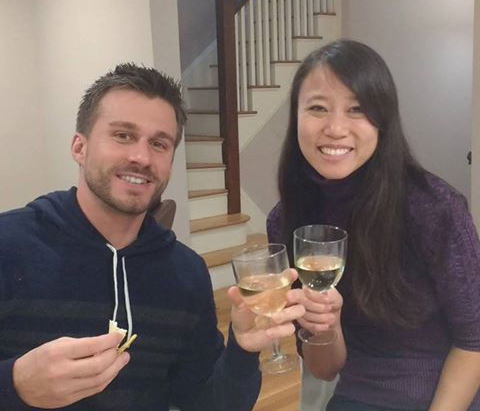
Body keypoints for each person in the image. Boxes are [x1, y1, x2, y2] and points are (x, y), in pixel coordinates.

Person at [0, 63, 304, 410]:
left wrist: (242, 349)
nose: (141, 157)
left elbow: (207, 403)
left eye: (159, 144)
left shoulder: (185, 273)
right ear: (79, 148)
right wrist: (14, 384)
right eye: (123, 135)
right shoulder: (9, 245)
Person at [267, 40, 480, 410]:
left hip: (446, 396)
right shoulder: (287, 220)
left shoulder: (434, 209)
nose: (336, 128)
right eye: (317, 108)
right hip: (357, 394)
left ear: (383, 121)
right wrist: (327, 325)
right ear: (295, 117)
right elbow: (324, 370)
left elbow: (474, 341)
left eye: (358, 109)